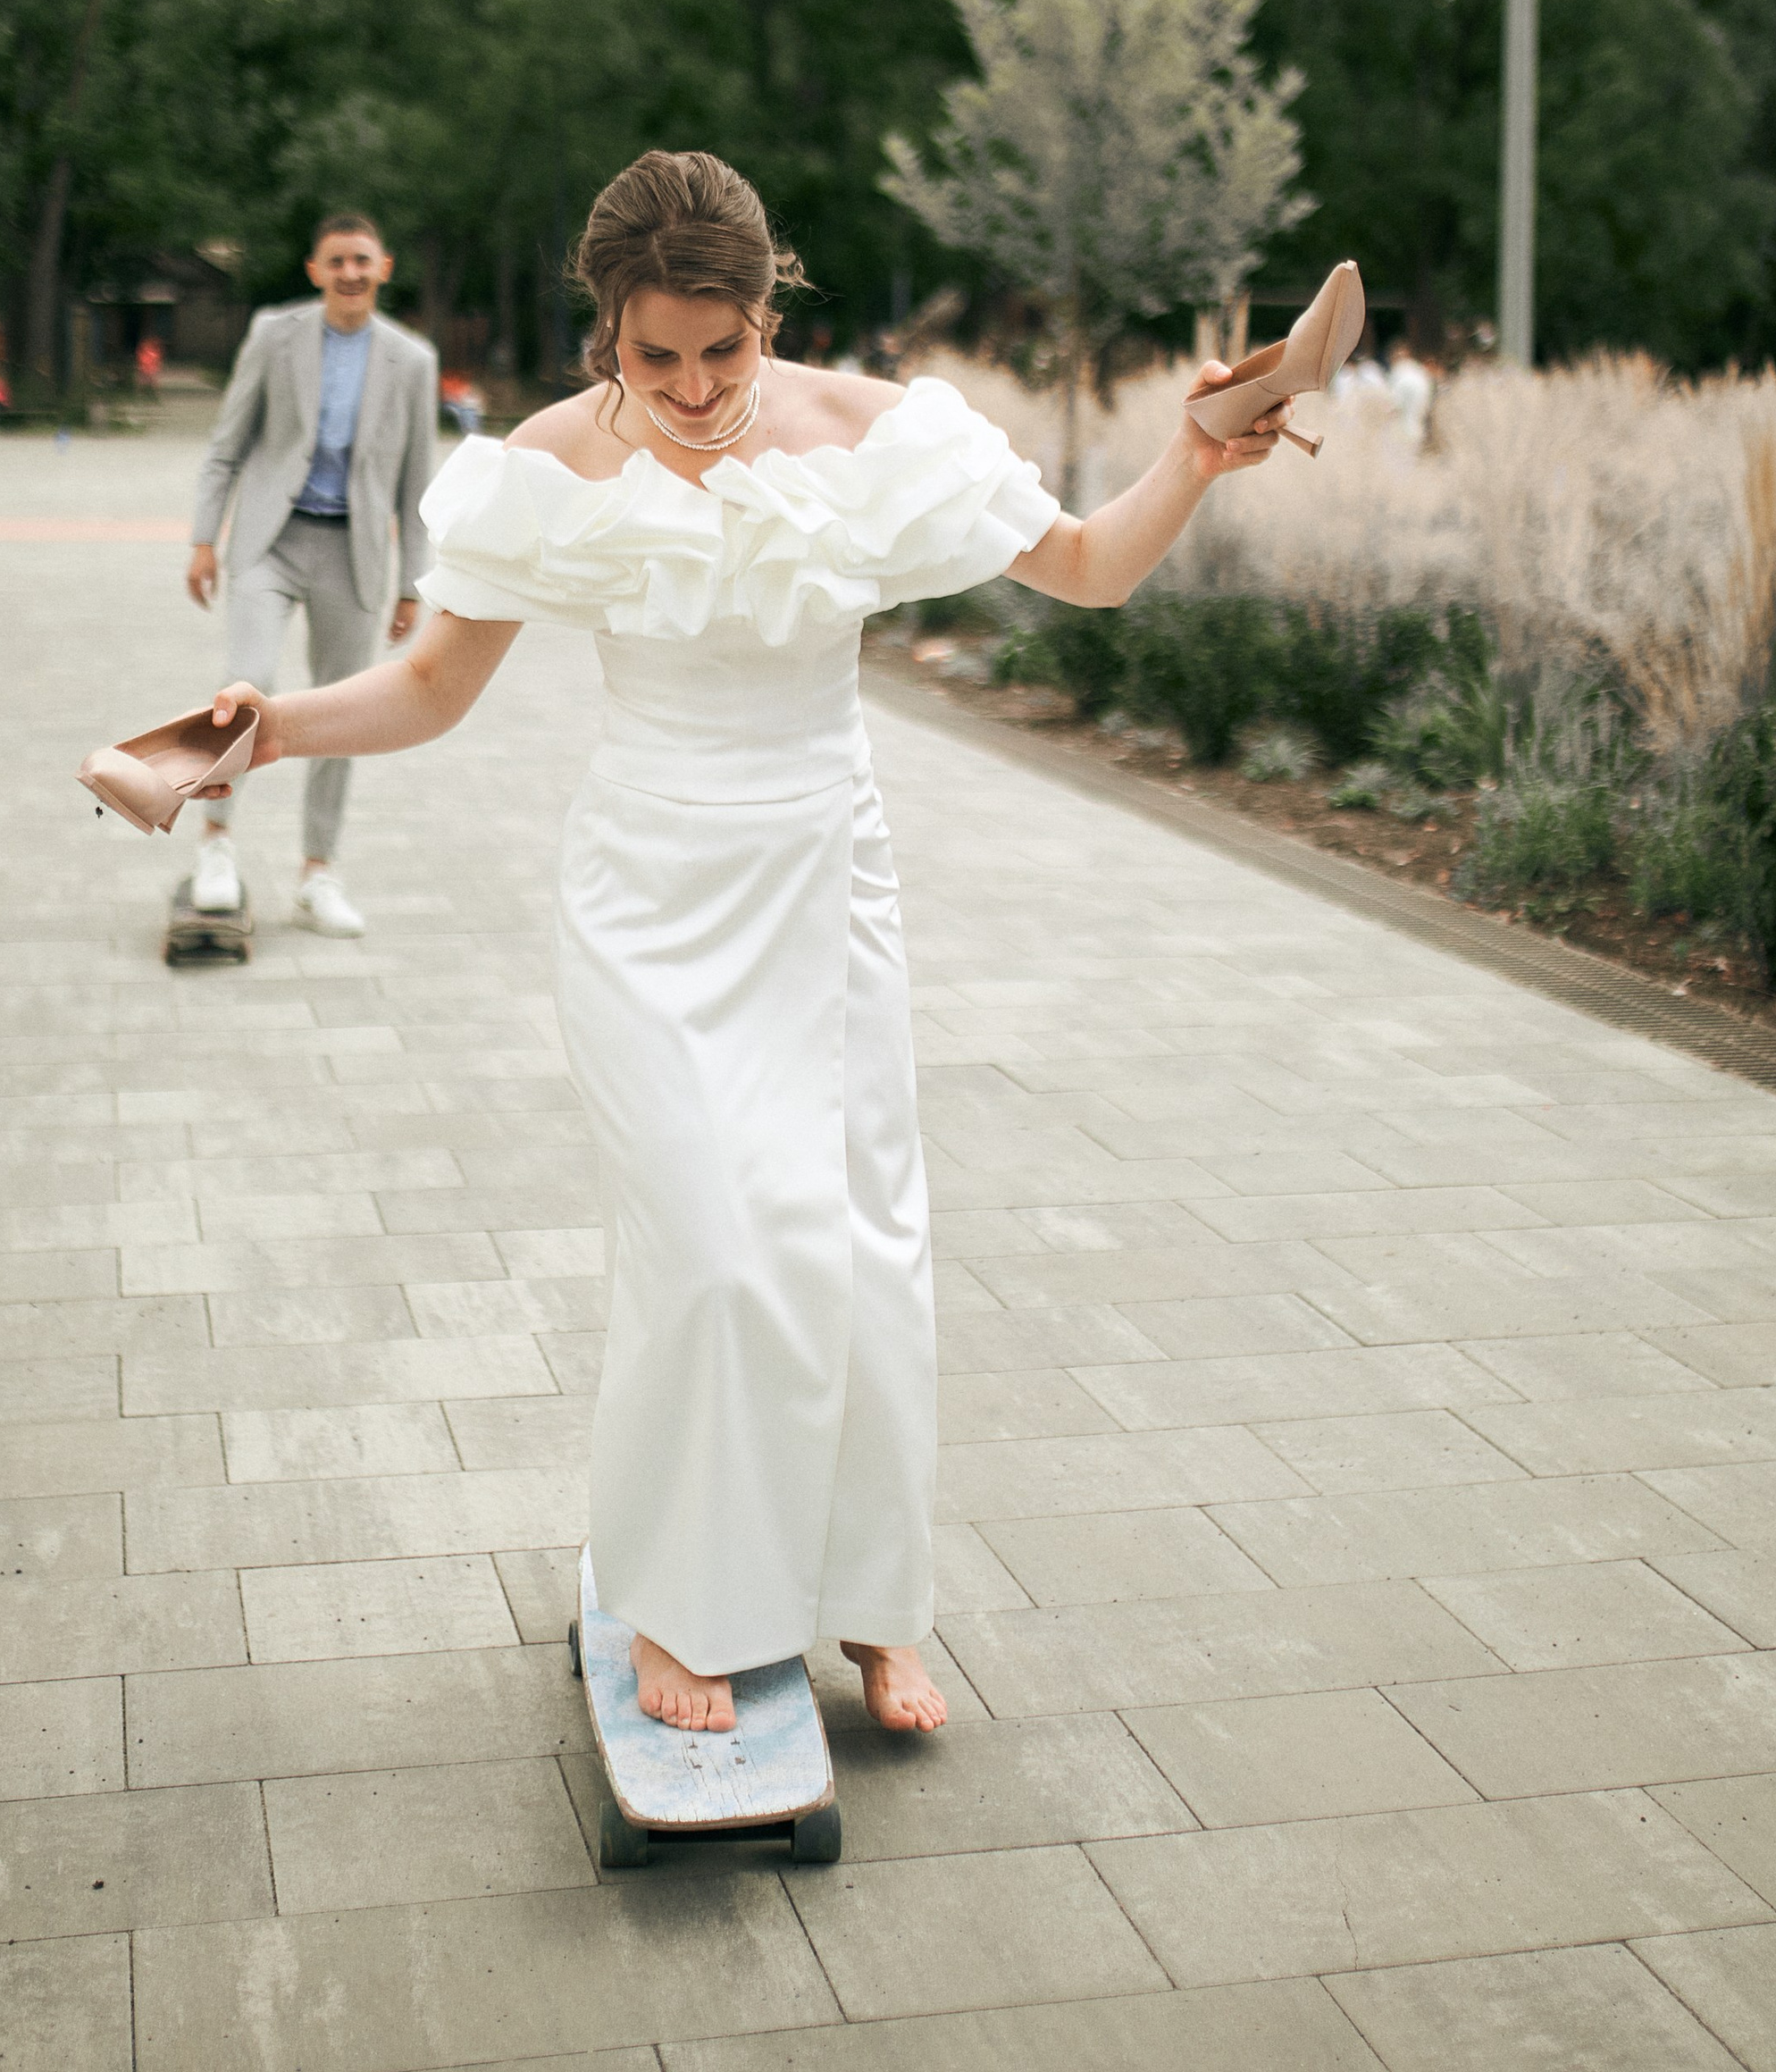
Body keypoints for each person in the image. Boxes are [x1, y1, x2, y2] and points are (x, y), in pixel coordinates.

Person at [198, 150, 1291, 1733]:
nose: (700, 388)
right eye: (660, 357)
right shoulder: (551, 465)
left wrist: (1193, 452)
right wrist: (267, 731)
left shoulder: (873, 433)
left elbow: (1090, 566)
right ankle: (674, 1603)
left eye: (728, 348)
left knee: (856, 1245)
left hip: (823, 874)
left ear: (768, 310)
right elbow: (432, 687)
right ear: (609, 335)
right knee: (712, 1248)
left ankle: (872, 1607)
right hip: (646, 890)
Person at [184, 210, 439, 936]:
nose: (351, 273)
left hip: (353, 553)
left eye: (363, 260)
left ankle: (318, 871)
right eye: (337, 261)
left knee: (343, 715)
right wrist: (205, 539)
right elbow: (227, 443)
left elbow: (417, 482)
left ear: (383, 268)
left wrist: (409, 583)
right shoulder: (275, 333)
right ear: (315, 271)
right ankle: (217, 844)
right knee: (248, 683)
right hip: (270, 540)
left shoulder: (412, 361)